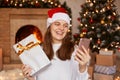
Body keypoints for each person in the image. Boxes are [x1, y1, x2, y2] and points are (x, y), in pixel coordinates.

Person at [22, 7, 91, 80]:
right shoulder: (38, 50)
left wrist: (83, 67)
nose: (61, 28)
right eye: (57, 24)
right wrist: (30, 78)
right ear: (49, 27)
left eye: (65, 25)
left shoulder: (74, 50)